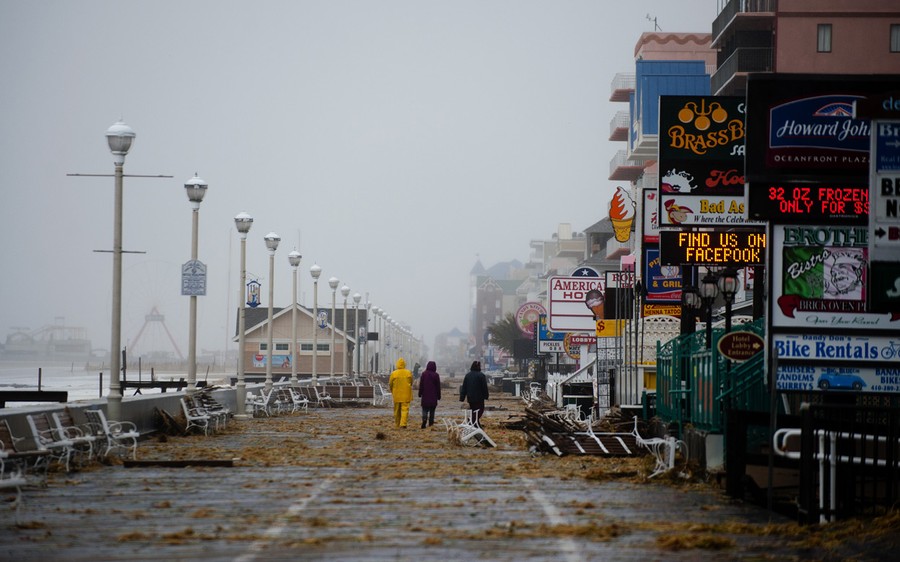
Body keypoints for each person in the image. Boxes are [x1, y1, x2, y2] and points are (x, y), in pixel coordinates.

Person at [459, 360, 489, 428]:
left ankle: (475, 425)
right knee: (479, 411)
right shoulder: (481, 375)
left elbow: (464, 387)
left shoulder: (468, 375)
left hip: (470, 398)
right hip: (479, 398)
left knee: (474, 411)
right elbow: (484, 387)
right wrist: (486, 396)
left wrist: (462, 397)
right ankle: (472, 422)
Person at [389, 357, 413, 428]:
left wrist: (392, 391)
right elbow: (411, 382)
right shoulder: (408, 372)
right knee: (405, 410)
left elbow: (390, 384)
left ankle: (397, 424)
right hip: (406, 395)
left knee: (396, 410)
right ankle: (403, 424)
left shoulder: (394, 373)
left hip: (396, 394)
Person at [417, 361, 442, 429]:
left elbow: (421, 385)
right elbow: (438, 387)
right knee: (432, 411)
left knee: (424, 409)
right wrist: (439, 396)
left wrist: (420, 393)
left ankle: (424, 420)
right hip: (433, 396)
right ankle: (431, 424)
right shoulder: (436, 375)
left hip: (425, 395)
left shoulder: (424, 374)